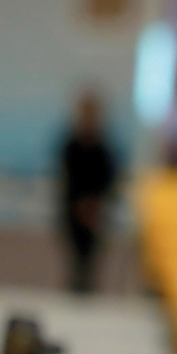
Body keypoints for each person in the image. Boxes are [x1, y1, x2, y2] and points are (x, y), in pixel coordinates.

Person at [58, 89, 117, 293]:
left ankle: (86, 286)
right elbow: (66, 180)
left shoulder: (103, 147)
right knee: (77, 254)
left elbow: (109, 179)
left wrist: (95, 205)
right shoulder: (71, 145)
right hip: (74, 209)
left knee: (90, 256)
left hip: (95, 210)